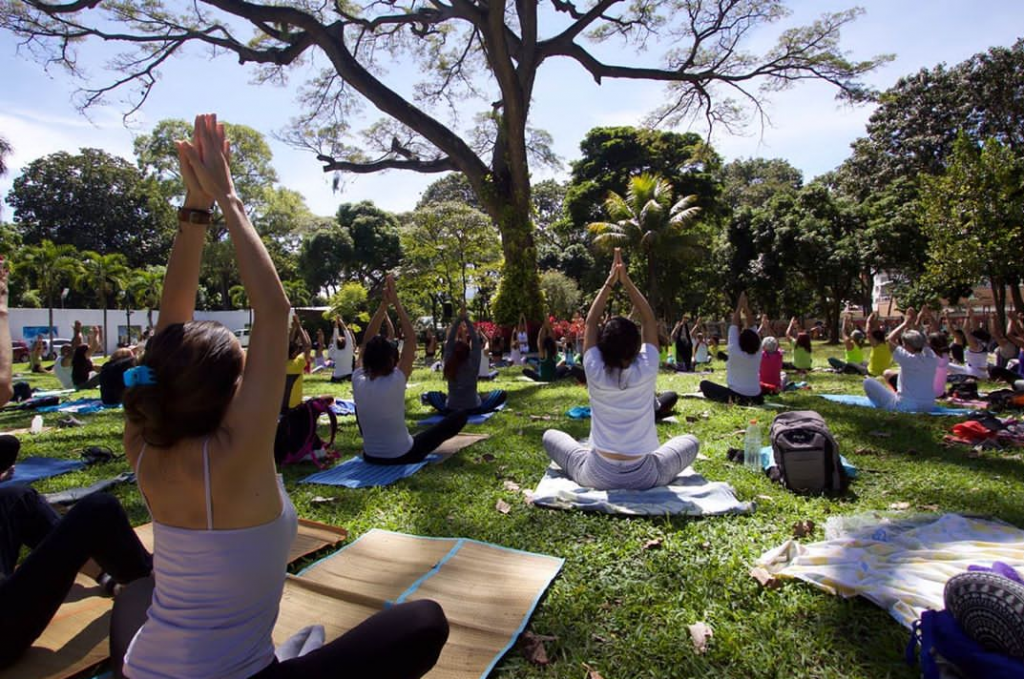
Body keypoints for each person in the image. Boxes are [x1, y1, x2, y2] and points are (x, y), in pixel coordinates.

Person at [117, 114, 448, 679]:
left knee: (135, 596)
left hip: (141, 669)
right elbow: (273, 311)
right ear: (231, 392)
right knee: (425, 621)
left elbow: (168, 336)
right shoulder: (239, 450)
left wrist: (195, 211)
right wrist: (226, 198)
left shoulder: (144, 443)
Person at [540, 248, 698, 490]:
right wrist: (626, 281)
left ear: (602, 345)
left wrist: (610, 283)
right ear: (636, 346)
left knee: (550, 435)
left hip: (596, 474)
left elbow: (591, 322)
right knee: (691, 441)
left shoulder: (593, 366)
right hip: (644, 475)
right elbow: (648, 320)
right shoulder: (647, 365)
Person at [354, 275, 469, 466]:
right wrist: (396, 302)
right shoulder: (396, 380)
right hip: (403, 455)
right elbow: (411, 339)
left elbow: (366, 342)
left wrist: (383, 306)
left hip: (370, 457)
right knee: (459, 417)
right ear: (392, 360)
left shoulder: (358, 379)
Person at [422, 310, 506, 415]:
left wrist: (458, 320)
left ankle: (449, 406)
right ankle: (480, 404)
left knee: (431, 395)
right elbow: (475, 340)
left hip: (451, 408)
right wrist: (466, 319)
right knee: (501, 394)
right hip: (473, 407)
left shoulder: (449, 361)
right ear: (467, 352)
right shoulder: (473, 362)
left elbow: (450, 340)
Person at [862, 308, 938, 412]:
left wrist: (906, 323)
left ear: (907, 345)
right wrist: (917, 322)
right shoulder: (931, 357)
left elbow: (890, 339)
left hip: (905, 406)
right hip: (929, 405)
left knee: (867, 382)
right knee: (889, 373)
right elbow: (923, 342)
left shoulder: (907, 358)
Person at [699, 292, 764, 405]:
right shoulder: (758, 352)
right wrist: (746, 308)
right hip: (757, 397)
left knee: (704, 384)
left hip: (737, 397)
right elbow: (753, 326)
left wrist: (739, 307)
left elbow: (734, 326)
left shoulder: (735, 351)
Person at [522, 317, 584, 383]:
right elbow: (553, 338)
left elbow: (539, 339)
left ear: (543, 345)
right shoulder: (554, 352)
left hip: (543, 378)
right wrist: (548, 325)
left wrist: (544, 325)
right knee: (565, 368)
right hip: (554, 377)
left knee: (525, 371)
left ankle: (536, 374)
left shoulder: (543, 353)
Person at [948, 307, 992, 380]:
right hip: (975, 370)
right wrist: (972, 315)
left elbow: (965, 329)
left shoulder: (975, 345)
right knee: (947, 365)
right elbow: (976, 328)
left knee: (944, 365)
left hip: (974, 373)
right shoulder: (981, 344)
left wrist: (968, 315)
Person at [282, 315, 311, 414]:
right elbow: (307, 346)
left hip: (279, 406)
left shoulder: (279, 364)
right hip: (294, 407)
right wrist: (298, 326)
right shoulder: (298, 363)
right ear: (294, 353)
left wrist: (293, 329)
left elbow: (288, 346)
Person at [757, 317, 785, 394]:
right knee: (784, 374)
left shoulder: (761, 355)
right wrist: (768, 327)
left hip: (762, 384)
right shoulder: (780, 354)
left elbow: (755, 338)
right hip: (776, 386)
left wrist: (761, 326)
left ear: (763, 346)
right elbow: (776, 340)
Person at [71, 323, 103, 389]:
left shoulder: (82, 359)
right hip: (82, 385)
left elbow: (95, 367)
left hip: (80, 384)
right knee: (106, 374)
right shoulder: (81, 356)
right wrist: (96, 333)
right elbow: (94, 346)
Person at [865, 312, 893, 377]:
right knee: (863, 363)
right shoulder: (889, 344)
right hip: (884, 372)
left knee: (852, 364)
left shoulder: (876, 345)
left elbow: (868, 333)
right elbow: (875, 332)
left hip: (872, 373)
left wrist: (868, 321)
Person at [329, 317, 355, 382]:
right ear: (346, 343)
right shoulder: (348, 350)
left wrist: (336, 323)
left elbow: (335, 335)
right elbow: (347, 334)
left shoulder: (335, 351)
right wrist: (341, 322)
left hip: (335, 378)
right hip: (347, 377)